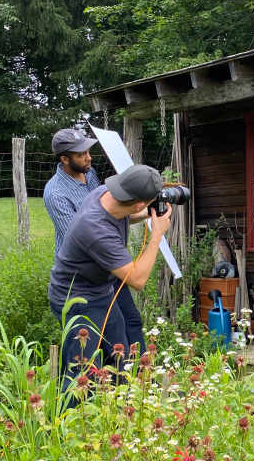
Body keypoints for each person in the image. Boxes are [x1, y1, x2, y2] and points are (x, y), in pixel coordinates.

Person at [48, 164, 171, 392]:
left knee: (120, 356)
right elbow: (137, 280)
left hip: (101, 292)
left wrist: (148, 213)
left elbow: (128, 213)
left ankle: (121, 411)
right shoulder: (96, 228)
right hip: (75, 300)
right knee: (82, 372)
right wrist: (157, 235)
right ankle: (70, 421)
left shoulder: (106, 193)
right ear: (139, 202)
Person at [43, 128, 100, 255]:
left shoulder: (89, 172)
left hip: (103, 256)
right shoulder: (55, 194)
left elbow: (103, 209)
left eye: (88, 152)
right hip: (76, 266)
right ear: (65, 159)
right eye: (81, 155)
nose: (89, 158)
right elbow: (78, 237)